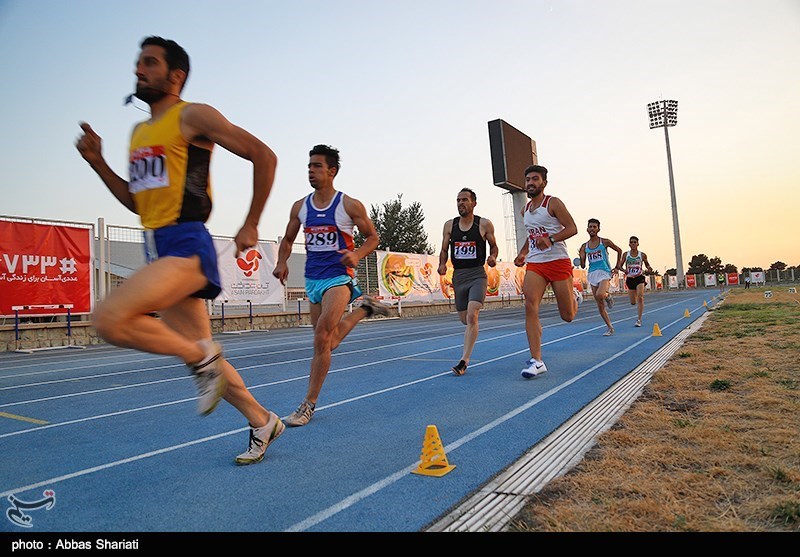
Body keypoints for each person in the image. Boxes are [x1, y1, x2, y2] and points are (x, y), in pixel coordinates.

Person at [75, 36, 283, 465]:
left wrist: (251, 221)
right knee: (206, 349)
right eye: (137, 63)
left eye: (149, 63)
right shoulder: (139, 133)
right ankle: (262, 420)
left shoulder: (193, 116)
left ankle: (197, 359)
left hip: (187, 244)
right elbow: (137, 202)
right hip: (156, 247)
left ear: (176, 76)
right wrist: (98, 162)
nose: (139, 70)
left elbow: (264, 155)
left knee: (110, 318)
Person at [273, 144, 390, 427]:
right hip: (312, 280)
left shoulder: (348, 205)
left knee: (321, 338)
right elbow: (288, 240)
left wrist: (357, 254)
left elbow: (372, 237)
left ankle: (307, 405)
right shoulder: (300, 207)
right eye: (309, 166)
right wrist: (281, 262)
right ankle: (364, 308)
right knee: (328, 342)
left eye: (317, 166)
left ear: (332, 171)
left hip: (338, 279)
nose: (311, 171)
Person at [513, 165, 581, 378]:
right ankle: (537, 360)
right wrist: (523, 253)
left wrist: (550, 239)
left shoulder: (553, 203)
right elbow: (531, 236)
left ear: (544, 183)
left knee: (568, 316)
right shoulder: (525, 210)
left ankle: (574, 297)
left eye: (535, 179)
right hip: (536, 263)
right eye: (527, 180)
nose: (530, 183)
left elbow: (572, 228)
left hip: (558, 261)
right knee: (530, 305)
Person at [437, 188, 499, 376]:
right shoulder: (449, 225)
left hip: (477, 275)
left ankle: (464, 360)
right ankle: (472, 331)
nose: (460, 203)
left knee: (472, 316)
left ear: (474, 203)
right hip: (459, 277)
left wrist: (493, 257)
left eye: (464, 200)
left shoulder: (484, 224)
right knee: (465, 320)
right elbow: (444, 249)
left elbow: (494, 245)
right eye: (458, 200)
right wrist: (441, 264)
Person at [578, 218, 623, 336]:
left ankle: (608, 296)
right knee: (600, 305)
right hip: (592, 274)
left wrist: (617, 266)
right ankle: (610, 327)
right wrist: (582, 257)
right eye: (590, 227)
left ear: (598, 229)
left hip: (604, 272)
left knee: (600, 294)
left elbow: (619, 250)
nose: (592, 229)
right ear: (587, 229)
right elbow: (583, 265)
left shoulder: (605, 242)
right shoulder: (584, 246)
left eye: (594, 227)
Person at [615, 236, 653, 327]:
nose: (633, 244)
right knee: (633, 302)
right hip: (630, 278)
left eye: (634, 242)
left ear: (638, 244)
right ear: (629, 244)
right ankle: (635, 296)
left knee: (640, 297)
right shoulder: (626, 255)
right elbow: (619, 266)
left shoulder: (642, 255)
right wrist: (624, 271)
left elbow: (647, 265)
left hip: (639, 278)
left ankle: (639, 319)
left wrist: (649, 268)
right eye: (631, 242)